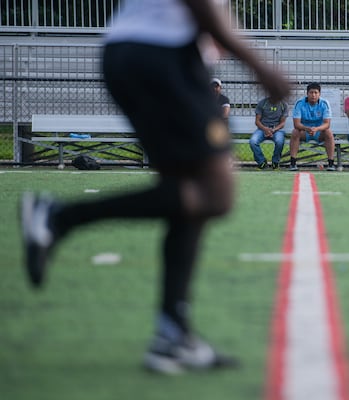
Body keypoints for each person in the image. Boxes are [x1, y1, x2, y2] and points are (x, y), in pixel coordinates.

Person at [19, 0, 289, 374]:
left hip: (135, 54)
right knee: (216, 193)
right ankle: (59, 216)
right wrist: (258, 64)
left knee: (186, 195)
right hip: (162, 56)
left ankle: (171, 334)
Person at [289, 82, 336, 171]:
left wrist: (317, 129)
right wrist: (307, 128)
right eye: (311, 93)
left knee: (329, 132)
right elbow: (296, 124)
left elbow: (327, 124)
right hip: (304, 131)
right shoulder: (299, 103)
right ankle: (293, 163)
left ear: (319, 94)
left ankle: (331, 163)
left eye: (316, 93)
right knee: (295, 132)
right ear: (307, 94)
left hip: (319, 131)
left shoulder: (324, 103)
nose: (313, 95)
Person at [249, 97, 288, 170]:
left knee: (280, 141)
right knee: (253, 141)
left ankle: (275, 162)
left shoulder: (283, 105)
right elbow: (257, 121)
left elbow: (282, 123)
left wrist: (273, 130)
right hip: (262, 129)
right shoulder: (262, 103)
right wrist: (265, 129)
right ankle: (261, 162)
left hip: (277, 130)